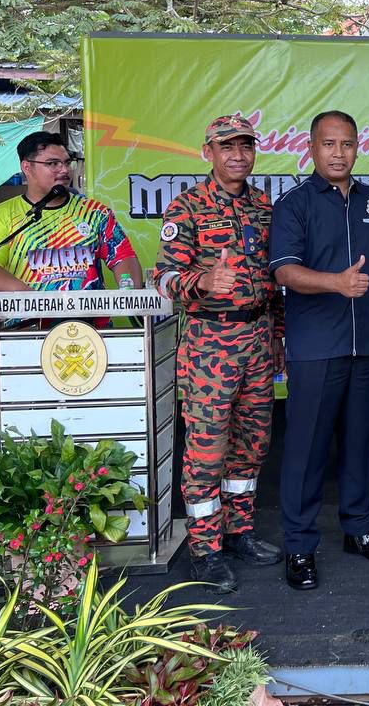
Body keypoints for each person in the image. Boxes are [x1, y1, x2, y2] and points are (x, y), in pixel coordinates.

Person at [152, 115, 285, 592]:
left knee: (252, 443)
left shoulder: (263, 206)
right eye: (227, 146)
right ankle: (205, 549)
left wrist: (278, 334)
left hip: (258, 339)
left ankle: (238, 531)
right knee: (207, 450)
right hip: (210, 343)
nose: (238, 155)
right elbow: (164, 278)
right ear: (207, 152)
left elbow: (274, 279)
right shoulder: (187, 207)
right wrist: (204, 280)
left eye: (246, 146)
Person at [270, 110, 369, 590]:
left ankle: (359, 530)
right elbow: (284, 271)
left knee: (360, 442)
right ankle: (300, 546)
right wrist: (336, 283)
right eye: (329, 144)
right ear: (311, 148)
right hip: (315, 346)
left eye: (347, 144)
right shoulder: (294, 205)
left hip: (366, 343)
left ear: (357, 147)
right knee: (305, 450)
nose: (339, 153)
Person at [0, 130, 141, 292]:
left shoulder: (95, 212)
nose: (65, 170)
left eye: (67, 162)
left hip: (89, 315)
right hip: (31, 314)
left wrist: (130, 295)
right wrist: (34, 300)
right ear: (27, 167)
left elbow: (123, 257)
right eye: (52, 163)